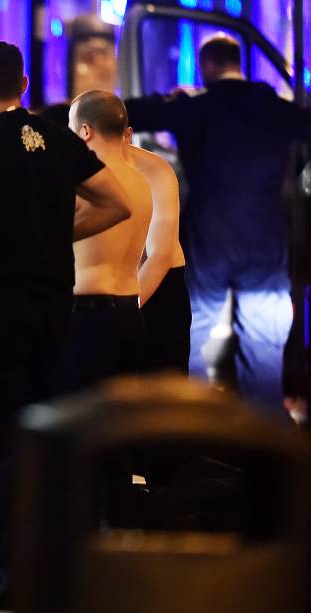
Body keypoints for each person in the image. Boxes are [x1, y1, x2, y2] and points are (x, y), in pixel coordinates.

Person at [0, 42, 131, 605]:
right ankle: (51, 570)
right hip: (55, 315)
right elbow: (115, 203)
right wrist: (51, 234)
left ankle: (0, 579)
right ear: (24, 85)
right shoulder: (58, 138)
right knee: (42, 442)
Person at [125, 34, 310, 411]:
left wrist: (172, 98)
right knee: (263, 346)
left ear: (207, 65)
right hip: (265, 240)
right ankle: (266, 440)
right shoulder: (275, 107)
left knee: (190, 336)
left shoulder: (198, 106)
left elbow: (130, 111)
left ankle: (192, 427)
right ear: (237, 64)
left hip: (207, 237)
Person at [67, 90, 153, 388]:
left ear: (85, 131)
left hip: (85, 316)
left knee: (78, 423)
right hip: (131, 314)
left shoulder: (83, 184)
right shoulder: (141, 182)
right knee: (118, 423)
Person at [124, 131, 190, 373]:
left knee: (163, 394)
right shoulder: (79, 169)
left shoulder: (153, 169)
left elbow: (160, 256)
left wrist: (126, 309)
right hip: (119, 299)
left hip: (156, 295)